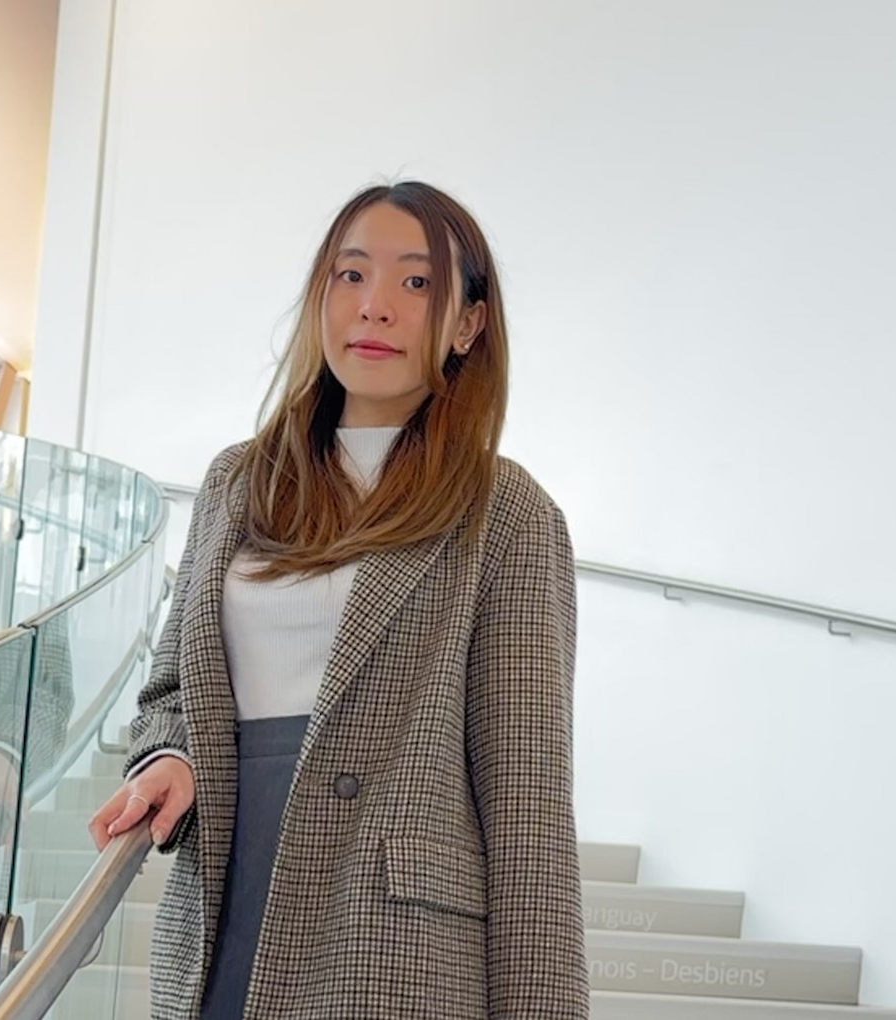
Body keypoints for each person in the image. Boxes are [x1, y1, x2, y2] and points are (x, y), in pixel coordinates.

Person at [90, 181, 589, 1020]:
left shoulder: (506, 512)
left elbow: (527, 806)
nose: (376, 306)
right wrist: (170, 756)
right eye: (351, 275)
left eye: (417, 282)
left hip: (396, 941)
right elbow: (171, 688)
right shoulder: (238, 482)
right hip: (224, 895)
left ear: (469, 323)